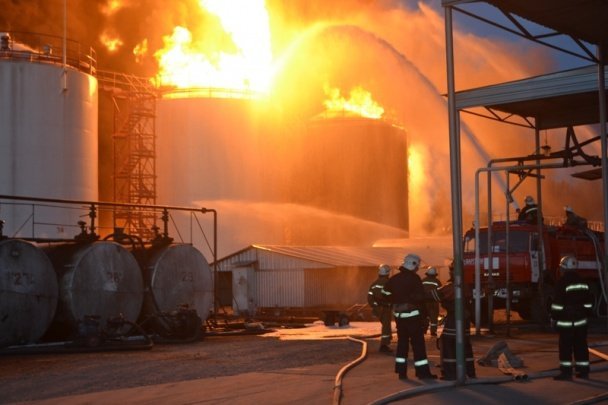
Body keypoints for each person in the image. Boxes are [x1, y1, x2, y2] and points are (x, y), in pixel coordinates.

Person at [381, 253, 436, 380]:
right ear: (413, 265)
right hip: (413, 318)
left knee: (402, 344)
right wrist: (425, 316)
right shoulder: (414, 279)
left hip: (400, 318)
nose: (418, 268)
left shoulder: (394, 278)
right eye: (417, 266)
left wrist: (394, 299)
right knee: (418, 345)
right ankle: (422, 373)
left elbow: (384, 293)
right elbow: (420, 298)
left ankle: (401, 372)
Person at [431, 261, 476, 380]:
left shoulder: (452, 286)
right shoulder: (466, 285)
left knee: (448, 344)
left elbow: (436, 294)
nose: (450, 272)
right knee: (465, 346)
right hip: (464, 320)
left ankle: (450, 374)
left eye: (451, 270)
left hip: (454, 319)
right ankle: (470, 372)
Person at [550, 255, 593, 380]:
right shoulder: (583, 281)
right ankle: (583, 371)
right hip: (581, 321)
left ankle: (566, 373)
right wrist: (584, 313)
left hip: (566, 321)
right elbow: (589, 302)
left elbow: (557, 304)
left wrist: (554, 317)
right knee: (581, 345)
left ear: (563, 268)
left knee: (565, 347)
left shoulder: (562, 282)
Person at [367, 264, 393, 353]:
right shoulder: (389, 283)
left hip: (377, 309)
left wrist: (375, 305)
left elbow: (370, 297)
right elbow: (391, 296)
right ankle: (384, 345)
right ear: (388, 273)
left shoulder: (374, 284)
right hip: (385, 308)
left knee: (385, 325)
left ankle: (386, 341)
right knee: (386, 326)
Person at [421, 266, 442, 336]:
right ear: (435, 274)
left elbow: (419, 291)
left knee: (424, 316)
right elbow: (440, 292)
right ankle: (433, 331)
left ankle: (423, 329)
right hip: (434, 302)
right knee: (433, 318)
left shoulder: (423, 280)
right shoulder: (437, 281)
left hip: (424, 302)